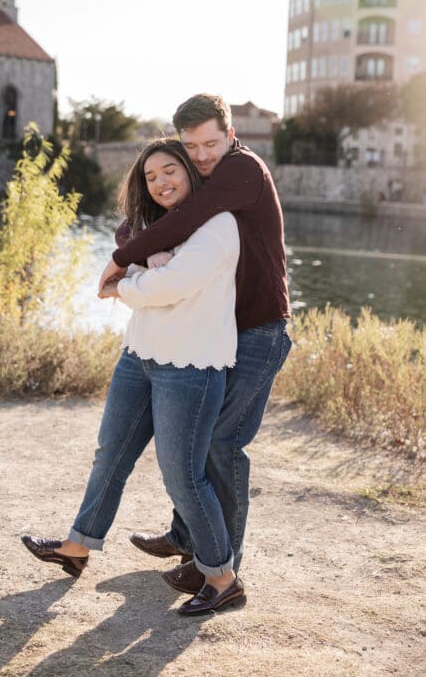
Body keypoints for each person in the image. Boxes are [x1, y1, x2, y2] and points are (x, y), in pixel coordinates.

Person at [22, 139, 246, 615]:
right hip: (140, 357)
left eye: (171, 171)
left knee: (182, 476)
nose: (162, 182)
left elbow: (171, 287)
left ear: (190, 171)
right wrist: (145, 264)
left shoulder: (219, 225)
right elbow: (143, 265)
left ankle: (223, 578)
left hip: (191, 366)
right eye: (151, 177)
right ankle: (78, 546)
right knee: (111, 454)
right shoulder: (151, 228)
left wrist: (126, 283)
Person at [98, 94, 291, 602]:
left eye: (210, 143)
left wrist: (120, 264)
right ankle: (191, 543)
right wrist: (138, 247)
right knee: (201, 441)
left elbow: (186, 220)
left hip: (259, 330)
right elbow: (148, 217)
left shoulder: (240, 170)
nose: (202, 155)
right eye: (192, 146)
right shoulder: (203, 173)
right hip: (225, 331)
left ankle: (221, 571)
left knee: (221, 446)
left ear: (230, 135)